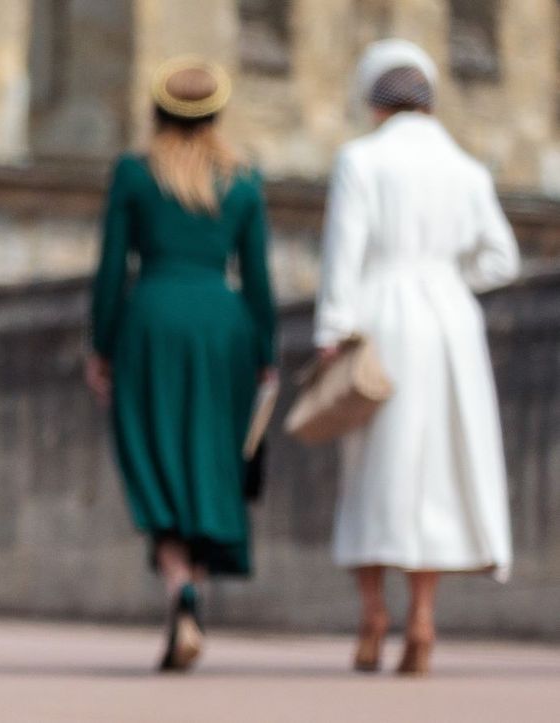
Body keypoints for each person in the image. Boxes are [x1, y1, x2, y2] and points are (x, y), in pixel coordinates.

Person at [315, 39, 519, 676]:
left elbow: (341, 256)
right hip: (451, 323)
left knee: (374, 467)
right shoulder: (468, 169)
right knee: (433, 470)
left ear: (374, 101)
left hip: (382, 320)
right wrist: (446, 277)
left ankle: (374, 613)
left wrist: (332, 329)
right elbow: (501, 259)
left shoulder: (361, 159)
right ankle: (423, 618)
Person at [86, 56, 277, 672]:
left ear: (157, 111)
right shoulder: (242, 181)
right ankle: (194, 586)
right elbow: (260, 281)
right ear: (218, 113)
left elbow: (112, 269)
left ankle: (180, 588)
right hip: (224, 329)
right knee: (210, 460)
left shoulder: (135, 175)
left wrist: (102, 346)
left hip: (152, 323)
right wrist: (267, 355)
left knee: (157, 458)